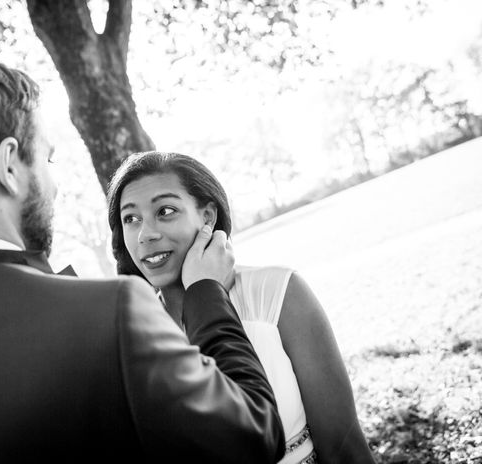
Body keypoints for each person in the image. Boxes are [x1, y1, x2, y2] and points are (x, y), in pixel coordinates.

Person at [0, 50, 287, 463]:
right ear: (10, 166)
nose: (54, 188)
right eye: (47, 161)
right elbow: (254, 435)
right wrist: (207, 292)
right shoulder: (113, 312)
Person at [107, 151, 377, 464]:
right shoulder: (132, 337)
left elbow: (344, 447)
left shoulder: (277, 292)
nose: (145, 234)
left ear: (208, 216)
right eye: (131, 219)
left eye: (165, 211)